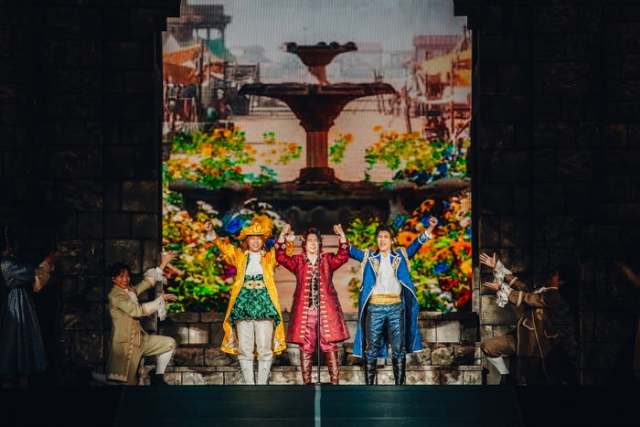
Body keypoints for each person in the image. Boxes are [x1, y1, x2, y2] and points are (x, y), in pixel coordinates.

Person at [349, 217, 438, 385]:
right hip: (375, 307)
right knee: (371, 348)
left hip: (395, 307)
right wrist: (341, 236)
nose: (381, 240)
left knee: (398, 348)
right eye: (379, 237)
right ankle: (369, 387)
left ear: (392, 240)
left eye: (385, 237)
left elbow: (416, 245)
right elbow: (350, 251)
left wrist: (429, 229)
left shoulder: (400, 256)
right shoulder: (369, 257)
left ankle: (400, 386)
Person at [206, 216, 286, 385]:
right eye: (252, 238)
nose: (255, 242)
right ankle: (250, 385)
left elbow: (282, 252)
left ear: (263, 241)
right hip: (243, 303)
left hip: (265, 304)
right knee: (244, 348)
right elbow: (224, 248)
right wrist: (212, 233)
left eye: (259, 238)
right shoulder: (239, 256)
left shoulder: (269, 257)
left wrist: (285, 236)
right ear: (246, 241)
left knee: (265, 347)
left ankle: (262, 385)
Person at [479, 252, 576, 385]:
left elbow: (528, 298)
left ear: (561, 281)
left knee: (535, 378)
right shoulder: (543, 290)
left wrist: (502, 288)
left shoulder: (554, 296)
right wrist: (497, 267)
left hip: (536, 342)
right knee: (488, 346)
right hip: (521, 336)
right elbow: (522, 287)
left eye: (555, 275)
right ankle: (505, 376)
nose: (550, 275)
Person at [275, 224, 350, 385]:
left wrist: (341, 235)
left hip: (326, 311)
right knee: (306, 345)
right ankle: (306, 382)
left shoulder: (327, 260)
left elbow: (343, 256)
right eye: (310, 241)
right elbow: (281, 257)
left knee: (329, 344)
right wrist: (282, 235)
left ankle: (335, 382)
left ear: (319, 243)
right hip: (306, 311)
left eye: (316, 241)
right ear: (304, 243)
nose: (313, 243)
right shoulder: (298, 261)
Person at [0, 226, 61, 388]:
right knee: (13, 341)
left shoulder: (9, 262)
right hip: (13, 304)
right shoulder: (6, 264)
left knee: (20, 342)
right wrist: (48, 261)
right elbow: (32, 273)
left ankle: (20, 381)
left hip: (19, 302)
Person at [106, 252, 177, 386]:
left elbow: (147, 283)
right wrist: (159, 300)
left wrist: (164, 263)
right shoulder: (115, 296)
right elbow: (137, 311)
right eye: (121, 276)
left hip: (141, 340)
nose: (126, 279)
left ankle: (157, 377)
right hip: (127, 345)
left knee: (169, 343)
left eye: (127, 276)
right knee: (128, 384)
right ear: (114, 279)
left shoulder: (130, 291)